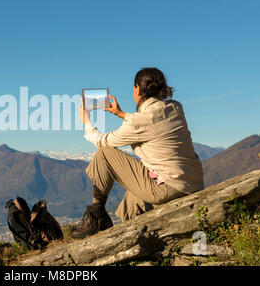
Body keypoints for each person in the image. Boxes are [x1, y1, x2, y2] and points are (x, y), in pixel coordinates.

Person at [72, 67, 204, 239]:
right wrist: (121, 114)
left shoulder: (138, 121)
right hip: (191, 182)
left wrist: (86, 120)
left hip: (169, 187)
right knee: (134, 194)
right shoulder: (176, 108)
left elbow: (101, 141)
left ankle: (97, 216)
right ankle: (134, 234)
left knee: (104, 154)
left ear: (138, 90)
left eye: (133, 88)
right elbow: (151, 123)